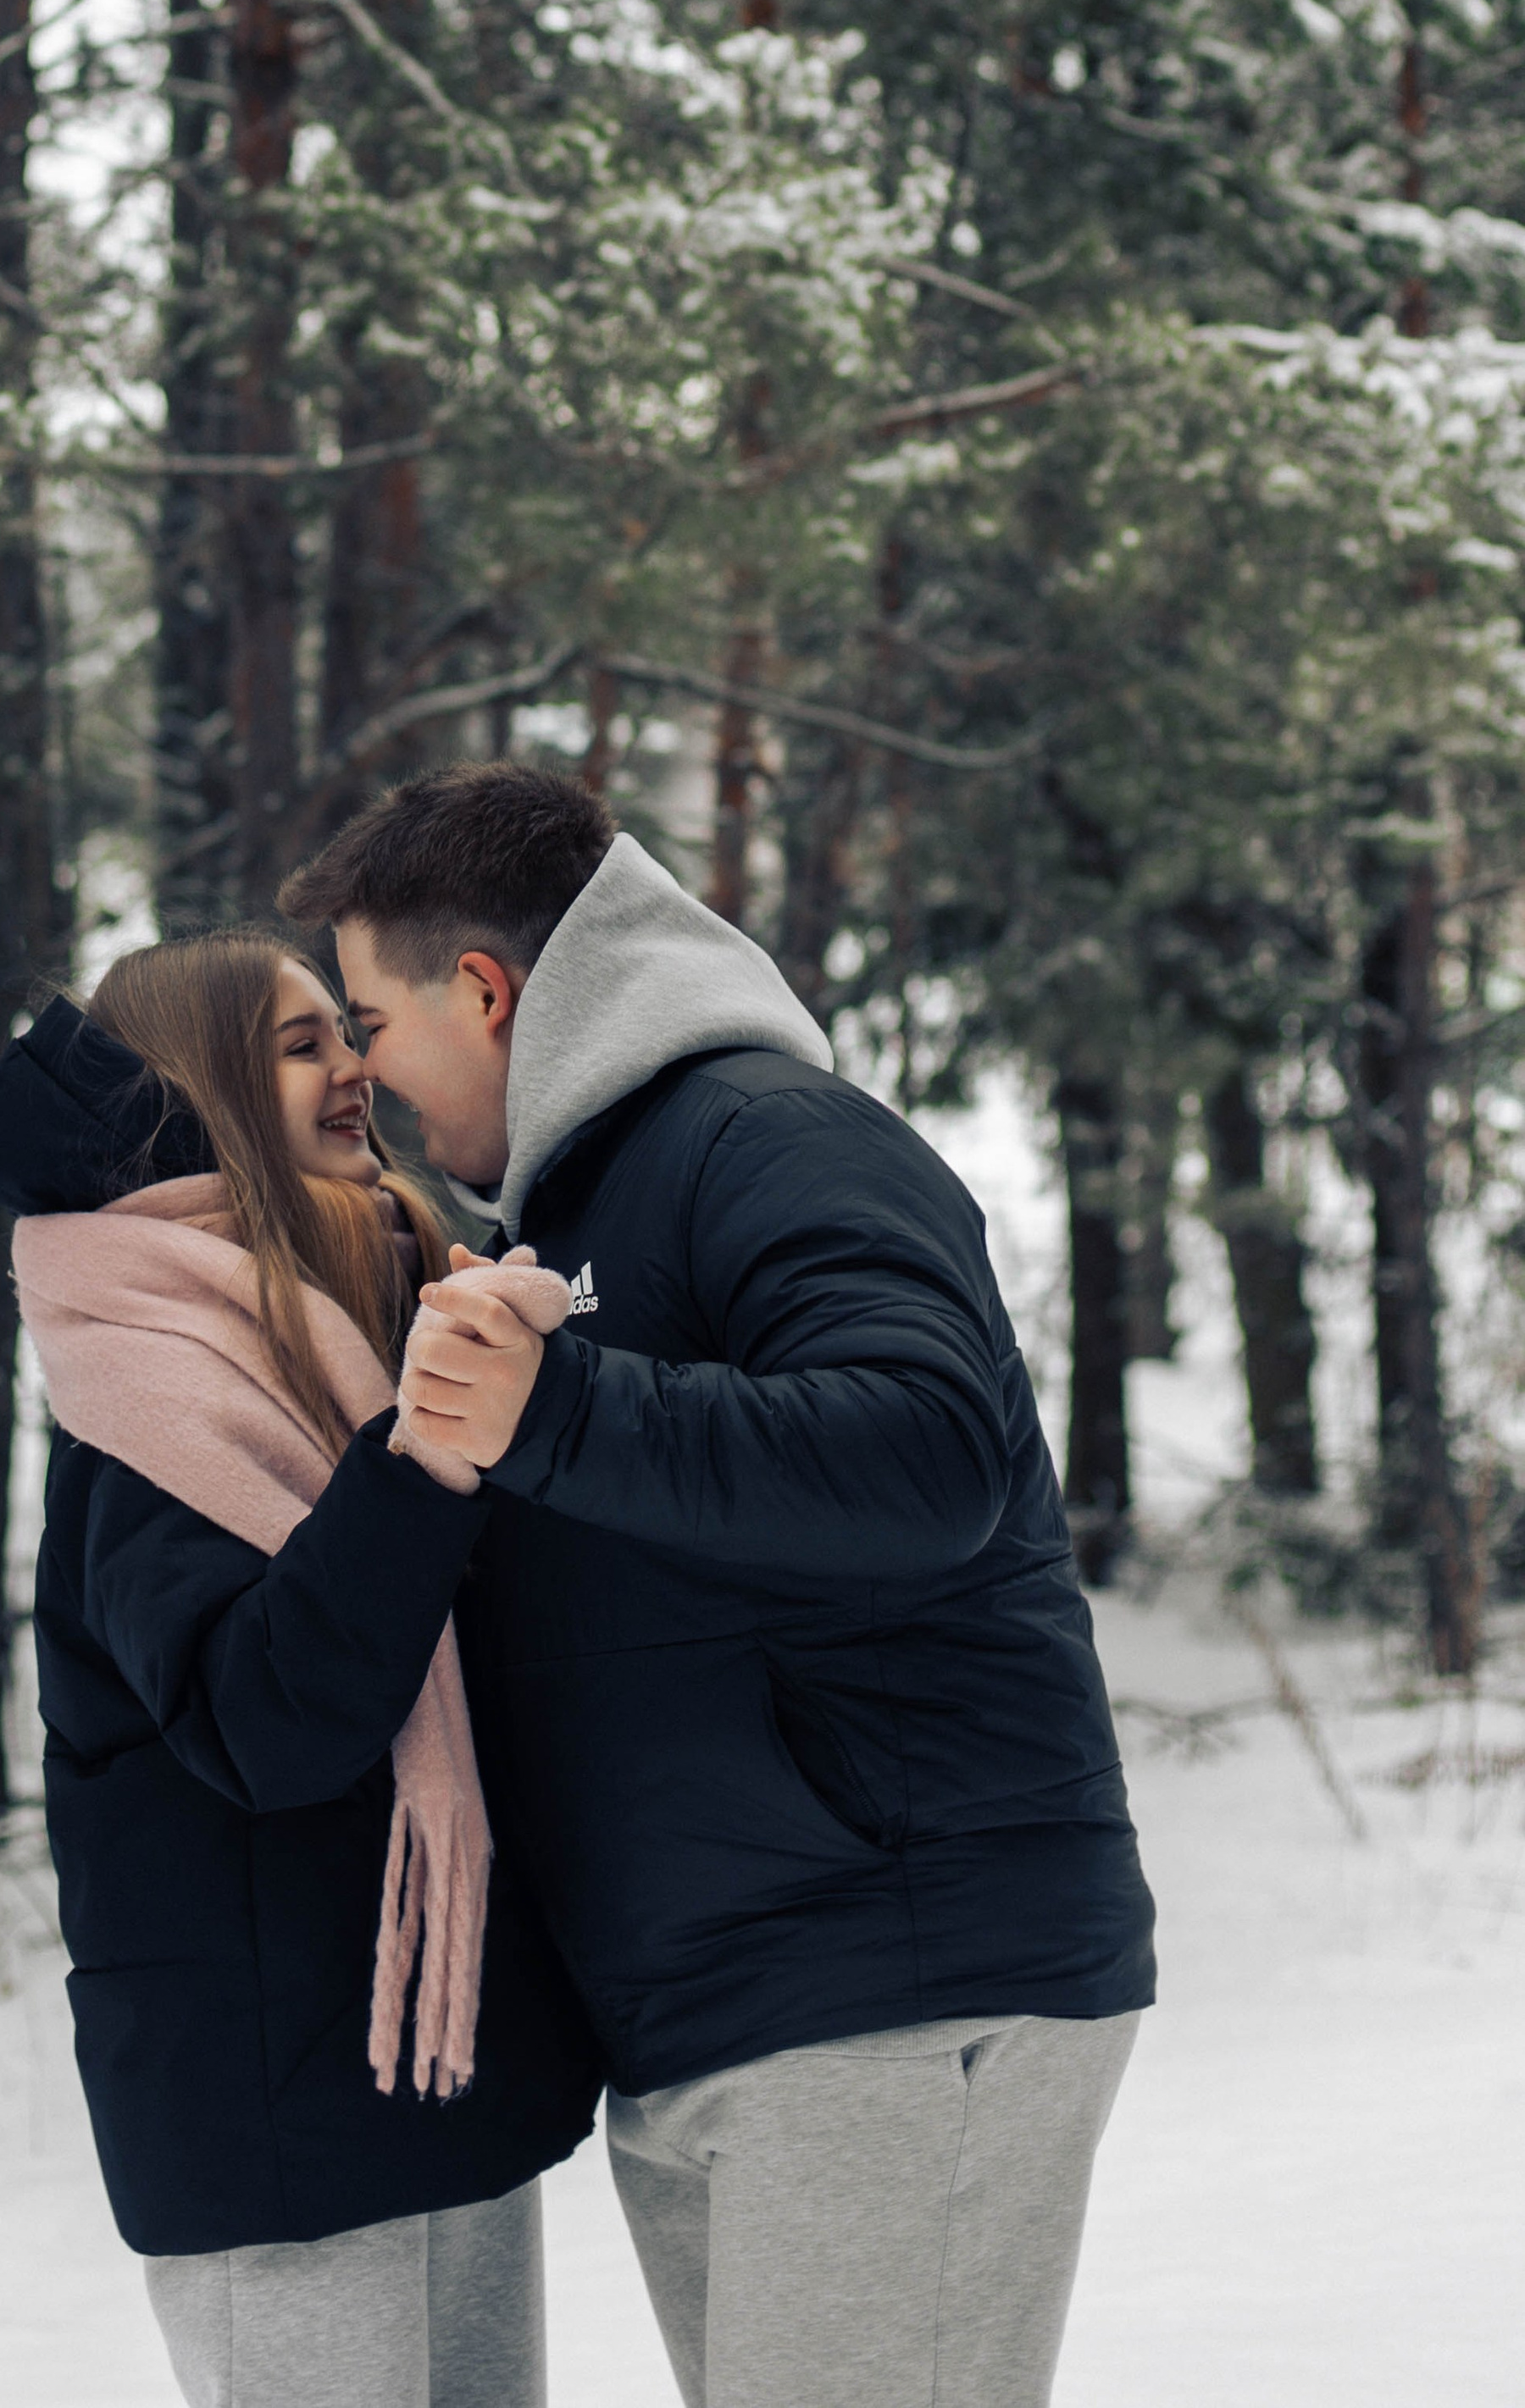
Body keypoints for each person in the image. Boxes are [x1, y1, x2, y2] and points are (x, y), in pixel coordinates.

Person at [278, 765, 1156, 2408]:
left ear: (484, 992)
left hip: (891, 1970)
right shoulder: (577, 1205)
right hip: (727, 1999)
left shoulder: (761, 1135)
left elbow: (925, 1454)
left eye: (373, 1022)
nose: (369, 1076)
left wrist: (559, 1414)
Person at [0, 930, 600, 2408]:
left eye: (344, 1032)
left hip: (436, 2068)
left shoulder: (376, 1311)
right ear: (203, 1091)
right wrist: (423, 1459)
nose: (355, 1068)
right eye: (299, 1044)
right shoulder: (149, 1394)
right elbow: (269, 1723)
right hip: (276, 2114)